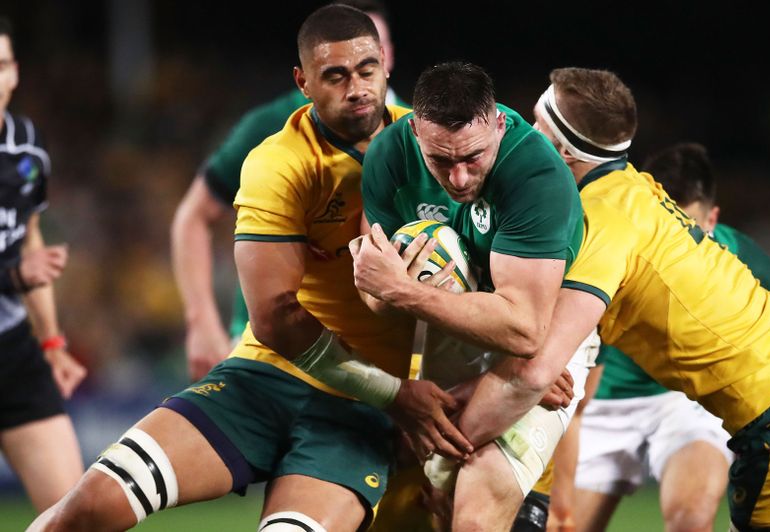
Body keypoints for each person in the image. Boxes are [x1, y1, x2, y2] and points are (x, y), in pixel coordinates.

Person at [31, 6, 464, 532]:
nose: (357, 88)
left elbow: (510, 261)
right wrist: (396, 395)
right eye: (336, 75)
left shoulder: (441, 152)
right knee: (87, 507)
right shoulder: (276, 161)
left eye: (367, 70)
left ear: (387, 68)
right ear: (303, 82)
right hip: (264, 379)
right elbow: (277, 320)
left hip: (355, 414)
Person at [453, 67, 770, 531]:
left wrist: (451, 442)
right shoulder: (637, 188)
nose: (527, 138)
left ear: (562, 149)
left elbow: (535, 370)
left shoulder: (599, 221)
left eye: (538, 126)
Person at [350, 61, 595, 530]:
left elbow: (524, 332)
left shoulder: (536, 174)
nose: (459, 178)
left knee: (477, 512)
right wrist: (388, 290)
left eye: (474, 157)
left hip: (548, 331)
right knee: (441, 502)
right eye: (441, 160)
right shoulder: (388, 156)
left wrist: (403, 289)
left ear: (499, 124)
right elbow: (376, 298)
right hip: (449, 328)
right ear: (415, 131)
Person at [551, 143, 770, 532]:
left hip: (688, 402)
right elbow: (577, 394)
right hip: (604, 402)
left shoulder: (741, 258)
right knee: (563, 527)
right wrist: (559, 505)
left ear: (712, 219)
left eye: (689, 226)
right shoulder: (610, 243)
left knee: (691, 519)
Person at [171, 0, 403, 381]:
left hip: (372, 352)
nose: (354, 77)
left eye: (368, 56)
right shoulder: (269, 126)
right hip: (268, 340)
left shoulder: (420, 133)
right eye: (335, 64)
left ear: (384, 55)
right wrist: (201, 322)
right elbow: (193, 216)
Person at [0, 17, 86, 513]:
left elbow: (29, 238)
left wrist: (52, 342)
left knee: (74, 516)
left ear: (15, 73)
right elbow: (22, 269)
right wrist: (14, 276)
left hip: (13, 353)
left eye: (3, 65)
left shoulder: (28, 145)